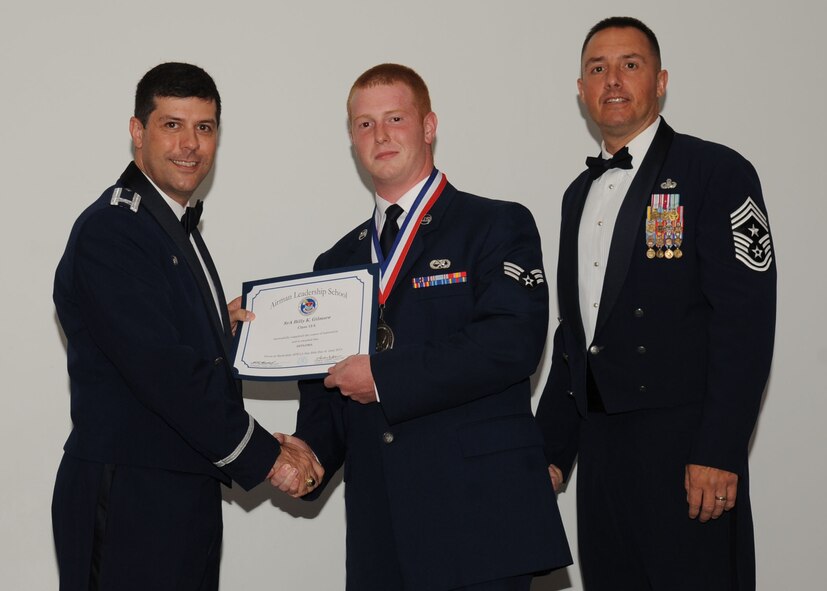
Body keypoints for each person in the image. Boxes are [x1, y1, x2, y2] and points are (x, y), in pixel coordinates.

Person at [280, 63, 571, 590]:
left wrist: (386, 378)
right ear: (351, 139)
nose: (381, 135)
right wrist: (309, 457)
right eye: (364, 124)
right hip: (382, 530)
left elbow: (511, 343)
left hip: (480, 521)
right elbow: (327, 393)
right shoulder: (334, 264)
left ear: (429, 125)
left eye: (395, 117)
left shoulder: (497, 225)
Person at [52, 62, 322, 591]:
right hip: (131, 496)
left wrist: (220, 332)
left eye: (204, 127)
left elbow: (161, 342)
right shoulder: (114, 230)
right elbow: (164, 371)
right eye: (172, 124)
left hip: (179, 490)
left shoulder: (168, 226)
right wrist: (268, 457)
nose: (190, 145)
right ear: (137, 132)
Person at [535, 17, 776, 591]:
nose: (612, 80)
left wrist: (719, 451)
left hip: (686, 454)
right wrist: (549, 453)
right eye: (598, 68)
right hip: (602, 458)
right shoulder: (577, 195)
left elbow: (745, 324)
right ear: (581, 88)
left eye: (630, 65)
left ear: (661, 81)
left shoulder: (717, 172)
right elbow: (576, 338)